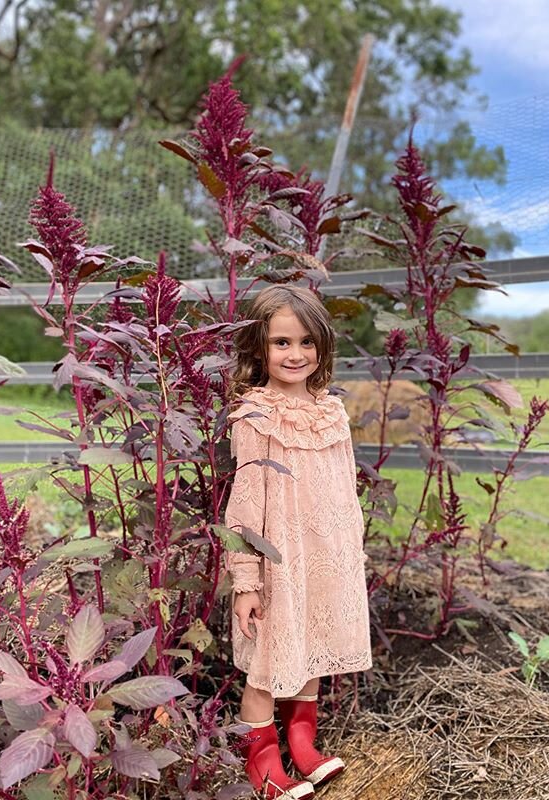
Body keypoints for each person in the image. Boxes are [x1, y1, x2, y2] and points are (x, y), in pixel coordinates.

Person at [224, 285, 372, 799]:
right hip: (279, 562)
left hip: (327, 557)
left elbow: (343, 486)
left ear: (322, 347)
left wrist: (350, 550)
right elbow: (245, 503)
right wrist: (247, 580)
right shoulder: (256, 415)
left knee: (314, 650)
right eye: (282, 342)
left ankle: (303, 743)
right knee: (269, 662)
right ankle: (263, 758)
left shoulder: (332, 412)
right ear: (259, 347)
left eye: (307, 342)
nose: (295, 354)